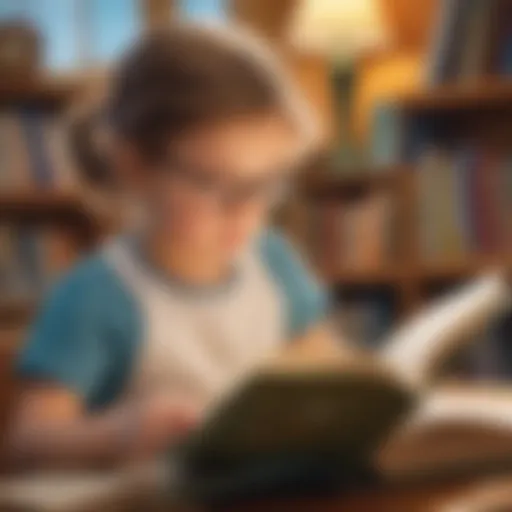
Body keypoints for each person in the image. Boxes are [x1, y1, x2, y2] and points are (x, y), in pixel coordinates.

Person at [5, 23, 337, 470]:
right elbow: (26, 442)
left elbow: (331, 372)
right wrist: (117, 434)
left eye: (262, 184)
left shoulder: (273, 263)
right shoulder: (96, 296)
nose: (243, 211)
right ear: (134, 165)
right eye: (212, 183)